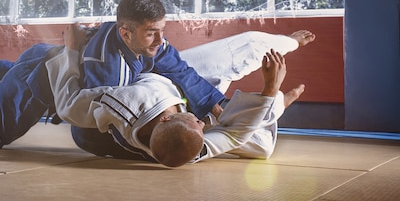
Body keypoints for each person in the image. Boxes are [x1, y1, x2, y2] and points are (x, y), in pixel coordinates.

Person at [0, 0, 236, 148]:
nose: (161, 40)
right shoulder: (102, 66)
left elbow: (182, 71)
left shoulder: (149, 42)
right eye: (152, 32)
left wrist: (215, 103)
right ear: (126, 32)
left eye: (162, 30)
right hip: (41, 79)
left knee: (46, 64)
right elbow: (73, 105)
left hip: (50, 56)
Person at [45, 23, 304, 167]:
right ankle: (278, 105)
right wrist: (271, 92)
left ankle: (289, 41)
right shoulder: (189, 151)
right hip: (178, 102)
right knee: (261, 147)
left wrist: (71, 49)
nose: (203, 123)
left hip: (166, 79)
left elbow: (67, 104)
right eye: (202, 127)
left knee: (248, 46)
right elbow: (235, 134)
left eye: (196, 122)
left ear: (167, 119)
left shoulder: (126, 103)